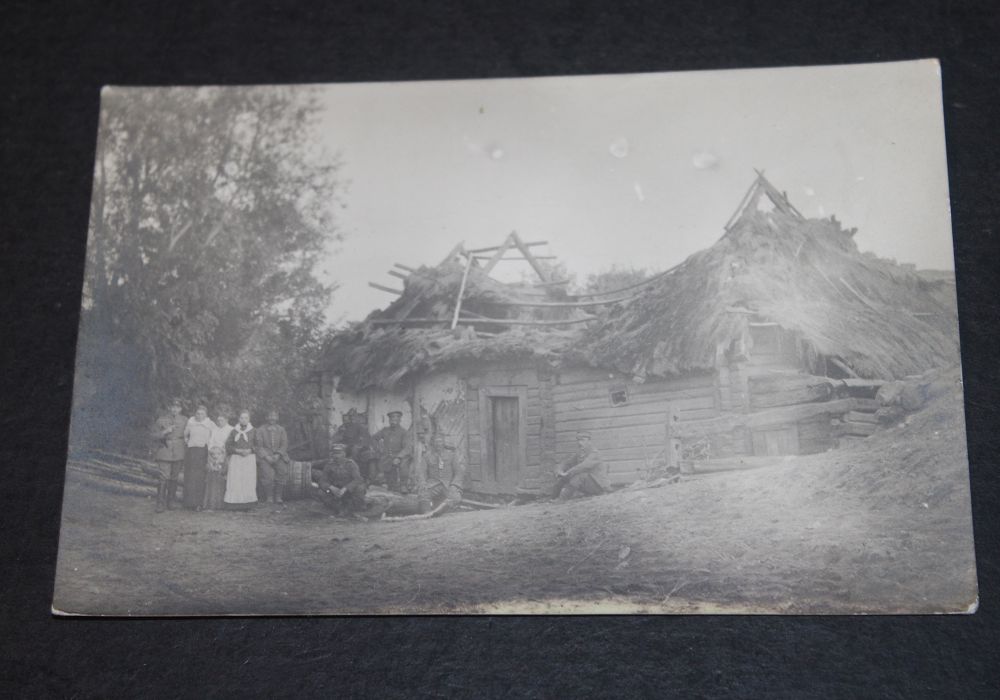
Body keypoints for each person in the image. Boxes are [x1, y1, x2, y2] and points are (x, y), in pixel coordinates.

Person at [150, 398, 186, 512]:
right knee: (163, 477)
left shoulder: (185, 420)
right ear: (170, 408)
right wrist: (165, 432)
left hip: (179, 451)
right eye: (173, 407)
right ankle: (160, 503)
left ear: (180, 409)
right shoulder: (161, 420)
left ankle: (171, 502)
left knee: (174, 477)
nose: (175, 409)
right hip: (165, 449)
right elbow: (153, 435)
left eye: (177, 407)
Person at [416, 431, 466, 513]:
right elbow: (421, 472)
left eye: (440, 441)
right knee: (423, 495)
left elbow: (459, 472)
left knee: (456, 497)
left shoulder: (451, 455)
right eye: (436, 442)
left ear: (443, 443)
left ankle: (440, 512)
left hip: (448, 484)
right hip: (432, 484)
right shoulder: (427, 456)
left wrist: (454, 485)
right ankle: (427, 514)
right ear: (433, 443)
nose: (438, 444)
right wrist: (423, 483)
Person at [552, 430, 610, 501]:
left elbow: (583, 466)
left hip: (600, 487)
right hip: (589, 484)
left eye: (583, 440)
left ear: (589, 441)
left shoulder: (595, 454)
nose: (579, 443)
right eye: (578, 440)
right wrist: (560, 470)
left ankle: (562, 500)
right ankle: (553, 498)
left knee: (579, 477)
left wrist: (567, 473)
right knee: (563, 478)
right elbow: (567, 463)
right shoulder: (580, 453)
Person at [316, 443, 367, 517]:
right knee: (321, 492)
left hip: (349, 491)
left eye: (339, 453)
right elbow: (322, 481)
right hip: (336, 491)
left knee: (360, 488)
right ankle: (338, 508)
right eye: (334, 453)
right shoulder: (329, 465)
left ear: (344, 454)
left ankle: (354, 507)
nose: (336, 456)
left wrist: (346, 488)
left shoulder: (351, 464)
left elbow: (358, 479)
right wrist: (331, 487)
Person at [255, 410, 290, 505]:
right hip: (265, 456)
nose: (272, 418)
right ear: (266, 417)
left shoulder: (281, 430)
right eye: (270, 416)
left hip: (279, 456)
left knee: (282, 471)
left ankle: (278, 496)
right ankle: (269, 496)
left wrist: (278, 454)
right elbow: (259, 446)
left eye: (274, 416)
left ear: (277, 418)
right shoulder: (260, 430)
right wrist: (266, 456)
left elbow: (284, 444)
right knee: (266, 474)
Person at [224, 411, 258, 509]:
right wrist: (237, 450)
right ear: (239, 419)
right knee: (236, 480)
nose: (243, 420)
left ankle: (248, 503)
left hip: (249, 458)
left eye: (246, 418)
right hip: (236, 459)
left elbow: (259, 445)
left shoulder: (254, 431)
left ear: (249, 419)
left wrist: (250, 450)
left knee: (248, 479)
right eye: (242, 418)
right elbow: (228, 445)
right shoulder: (234, 431)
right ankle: (234, 503)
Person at [182, 405, 213, 510]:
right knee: (190, 476)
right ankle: (188, 503)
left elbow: (212, 438)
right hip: (191, 452)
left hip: (203, 452)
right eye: (198, 414)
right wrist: (188, 443)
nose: (199, 416)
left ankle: (198, 503)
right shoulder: (191, 422)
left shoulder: (209, 424)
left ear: (206, 415)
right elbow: (185, 435)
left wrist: (209, 450)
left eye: (202, 414)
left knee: (199, 477)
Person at [372, 410, 411, 491]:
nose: (393, 421)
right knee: (388, 483)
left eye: (396, 419)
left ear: (400, 420)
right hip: (386, 456)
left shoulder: (404, 432)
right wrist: (378, 449)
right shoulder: (385, 430)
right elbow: (374, 438)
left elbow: (407, 447)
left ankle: (403, 485)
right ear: (389, 420)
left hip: (399, 455)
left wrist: (399, 457)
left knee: (404, 464)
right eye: (391, 419)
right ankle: (385, 482)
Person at [203, 410, 233, 510]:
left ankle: (222, 503)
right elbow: (210, 441)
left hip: (225, 455)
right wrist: (213, 452)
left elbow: (229, 443)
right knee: (212, 476)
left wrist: (222, 453)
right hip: (213, 454)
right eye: (218, 420)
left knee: (223, 477)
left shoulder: (231, 429)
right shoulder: (214, 429)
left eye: (222, 420)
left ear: (226, 420)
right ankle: (212, 502)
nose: (220, 422)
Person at [334, 408, 373, 480]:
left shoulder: (360, 427)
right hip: (346, 447)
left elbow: (366, 438)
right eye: (350, 416)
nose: (352, 418)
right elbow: (337, 438)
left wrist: (360, 445)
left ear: (356, 417)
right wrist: (340, 437)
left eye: (353, 416)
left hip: (357, 448)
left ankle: (357, 474)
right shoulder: (343, 427)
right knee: (337, 451)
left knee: (355, 451)